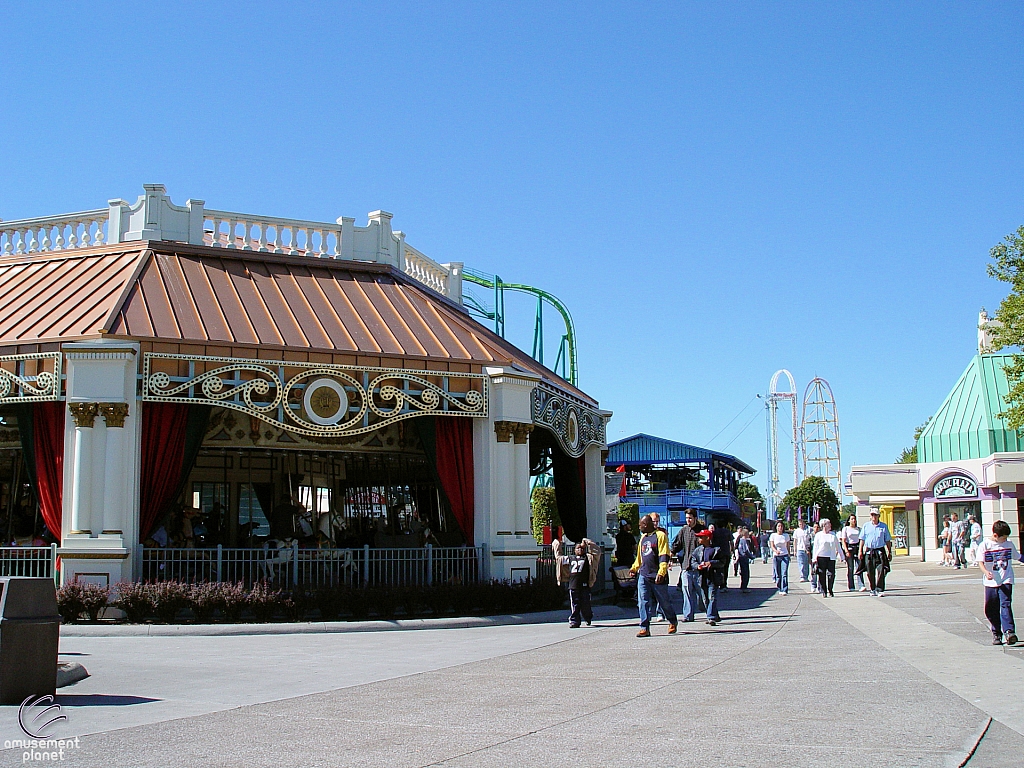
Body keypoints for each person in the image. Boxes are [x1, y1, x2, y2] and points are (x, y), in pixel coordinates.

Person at [976, 520, 1024, 645]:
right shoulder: (985, 545)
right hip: (991, 582)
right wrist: (986, 572)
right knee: (990, 608)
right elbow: (980, 562)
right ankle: (996, 633)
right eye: (1003, 538)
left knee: (1005, 605)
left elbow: (1018, 557)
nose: (1005, 540)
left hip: (1006, 579)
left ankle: (1009, 632)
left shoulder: (1008, 544)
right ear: (996, 535)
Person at [630, 515, 678, 637]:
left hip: (657, 575)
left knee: (664, 602)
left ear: (646, 524)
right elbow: (640, 558)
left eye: (640, 525)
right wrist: (634, 568)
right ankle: (644, 627)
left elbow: (664, 555)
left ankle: (672, 620)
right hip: (644, 574)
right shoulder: (643, 538)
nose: (639, 527)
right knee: (643, 601)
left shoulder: (660, 536)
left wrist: (661, 572)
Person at [552, 538, 600, 628]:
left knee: (586, 603)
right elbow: (559, 558)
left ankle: (588, 617)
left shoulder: (588, 558)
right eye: (578, 548)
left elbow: (597, 552)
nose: (580, 550)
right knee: (575, 604)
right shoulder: (570, 558)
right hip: (573, 585)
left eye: (582, 548)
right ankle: (574, 621)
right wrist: (557, 545)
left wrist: (587, 542)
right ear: (574, 550)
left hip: (585, 585)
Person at [671, 509, 703, 622]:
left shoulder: (701, 530)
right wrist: (671, 554)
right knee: (687, 592)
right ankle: (688, 615)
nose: (688, 520)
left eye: (690, 518)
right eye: (686, 518)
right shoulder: (684, 530)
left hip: (699, 568)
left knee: (702, 592)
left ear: (695, 518)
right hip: (686, 566)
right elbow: (677, 544)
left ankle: (709, 612)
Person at [691, 527, 727, 625]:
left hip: (713, 578)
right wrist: (698, 566)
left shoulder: (717, 549)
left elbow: (723, 562)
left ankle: (710, 617)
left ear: (707, 538)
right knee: (705, 599)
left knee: (712, 597)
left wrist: (711, 563)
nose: (699, 539)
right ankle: (714, 615)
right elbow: (693, 561)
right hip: (702, 578)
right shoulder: (698, 550)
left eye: (701, 537)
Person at [859, 509, 893, 596]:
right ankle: (873, 588)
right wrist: (860, 551)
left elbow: (887, 540)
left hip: (880, 550)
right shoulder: (866, 526)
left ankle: (880, 589)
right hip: (869, 551)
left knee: (881, 570)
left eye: (875, 515)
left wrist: (889, 552)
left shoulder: (883, 526)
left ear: (878, 516)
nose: (874, 517)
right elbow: (862, 539)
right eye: (872, 515)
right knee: (870, 571)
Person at [812, 518, 841, 597]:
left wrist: (842, 556)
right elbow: (815, 547)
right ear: (824, 525)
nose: (830, 525)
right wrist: (814, 558)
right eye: (828, 523)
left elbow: (838, 546)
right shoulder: (819, 535)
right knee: (822, 574)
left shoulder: (832, 534)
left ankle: (830, 589)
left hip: (831, 557)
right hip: (821, 557)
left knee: (831, 574)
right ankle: (824, 590)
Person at [838, 514, 866, 592]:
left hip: (857, 548)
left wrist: (861, 550)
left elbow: (861, 540)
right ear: (849, 520)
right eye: (852, 519)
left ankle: (861, 585)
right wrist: (846, 551)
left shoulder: (859, 529)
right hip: (849, 548)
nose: (853, 520)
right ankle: (851, 586)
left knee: (859, 567)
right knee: (850, 568)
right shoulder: (846, 529)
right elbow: (843, 540)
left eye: (854, 519)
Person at [769, 520, 790, 595]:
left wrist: (789, 555)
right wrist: (775, 551)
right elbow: (772, 545)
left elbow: (787, 546)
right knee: (778, 574)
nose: (780, 528)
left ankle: (784, 589)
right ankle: (779, 588)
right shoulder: (773, 535)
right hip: (776, 556)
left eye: (781, 526)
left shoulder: (786, 535)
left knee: (784, 573)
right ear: (776, 527)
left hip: (785, 555)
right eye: (778, 526)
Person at [735, 527, 754, 593]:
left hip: (740, 557)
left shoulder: (740, 540)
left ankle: (742, 586)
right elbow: (746, 550)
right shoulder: (744, 541)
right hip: (744, 558)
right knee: (746, 573)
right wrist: (751, 556)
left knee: (743, 572)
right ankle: (744, 587)